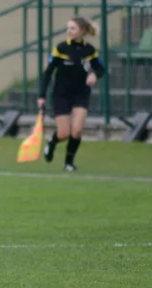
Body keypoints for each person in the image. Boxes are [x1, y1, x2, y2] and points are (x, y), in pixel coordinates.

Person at [37, 16, 104, 172]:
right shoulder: (61, 48)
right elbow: (48, 73)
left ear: (82, 31)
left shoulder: (90, 51)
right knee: (64, 133)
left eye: (72, 28)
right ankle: (52, 143)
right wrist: (42, 96)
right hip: (61, 95)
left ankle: (68, 163)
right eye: (68, 28)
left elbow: (101, 68)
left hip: (81, 94)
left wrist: (95, 75)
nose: (69, 31)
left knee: (77, 130)